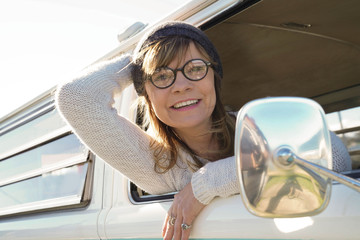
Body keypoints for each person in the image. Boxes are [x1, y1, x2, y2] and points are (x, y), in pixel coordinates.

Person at [56, 21, 351, 240]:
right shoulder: (159, 165)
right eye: (161, 75)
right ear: (145, 92)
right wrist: (141, 52)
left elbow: (335, 158)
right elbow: (75, 97)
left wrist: (208, 183)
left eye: (195, 68)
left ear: (214, 78)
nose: (181, 84)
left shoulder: (254, 126)